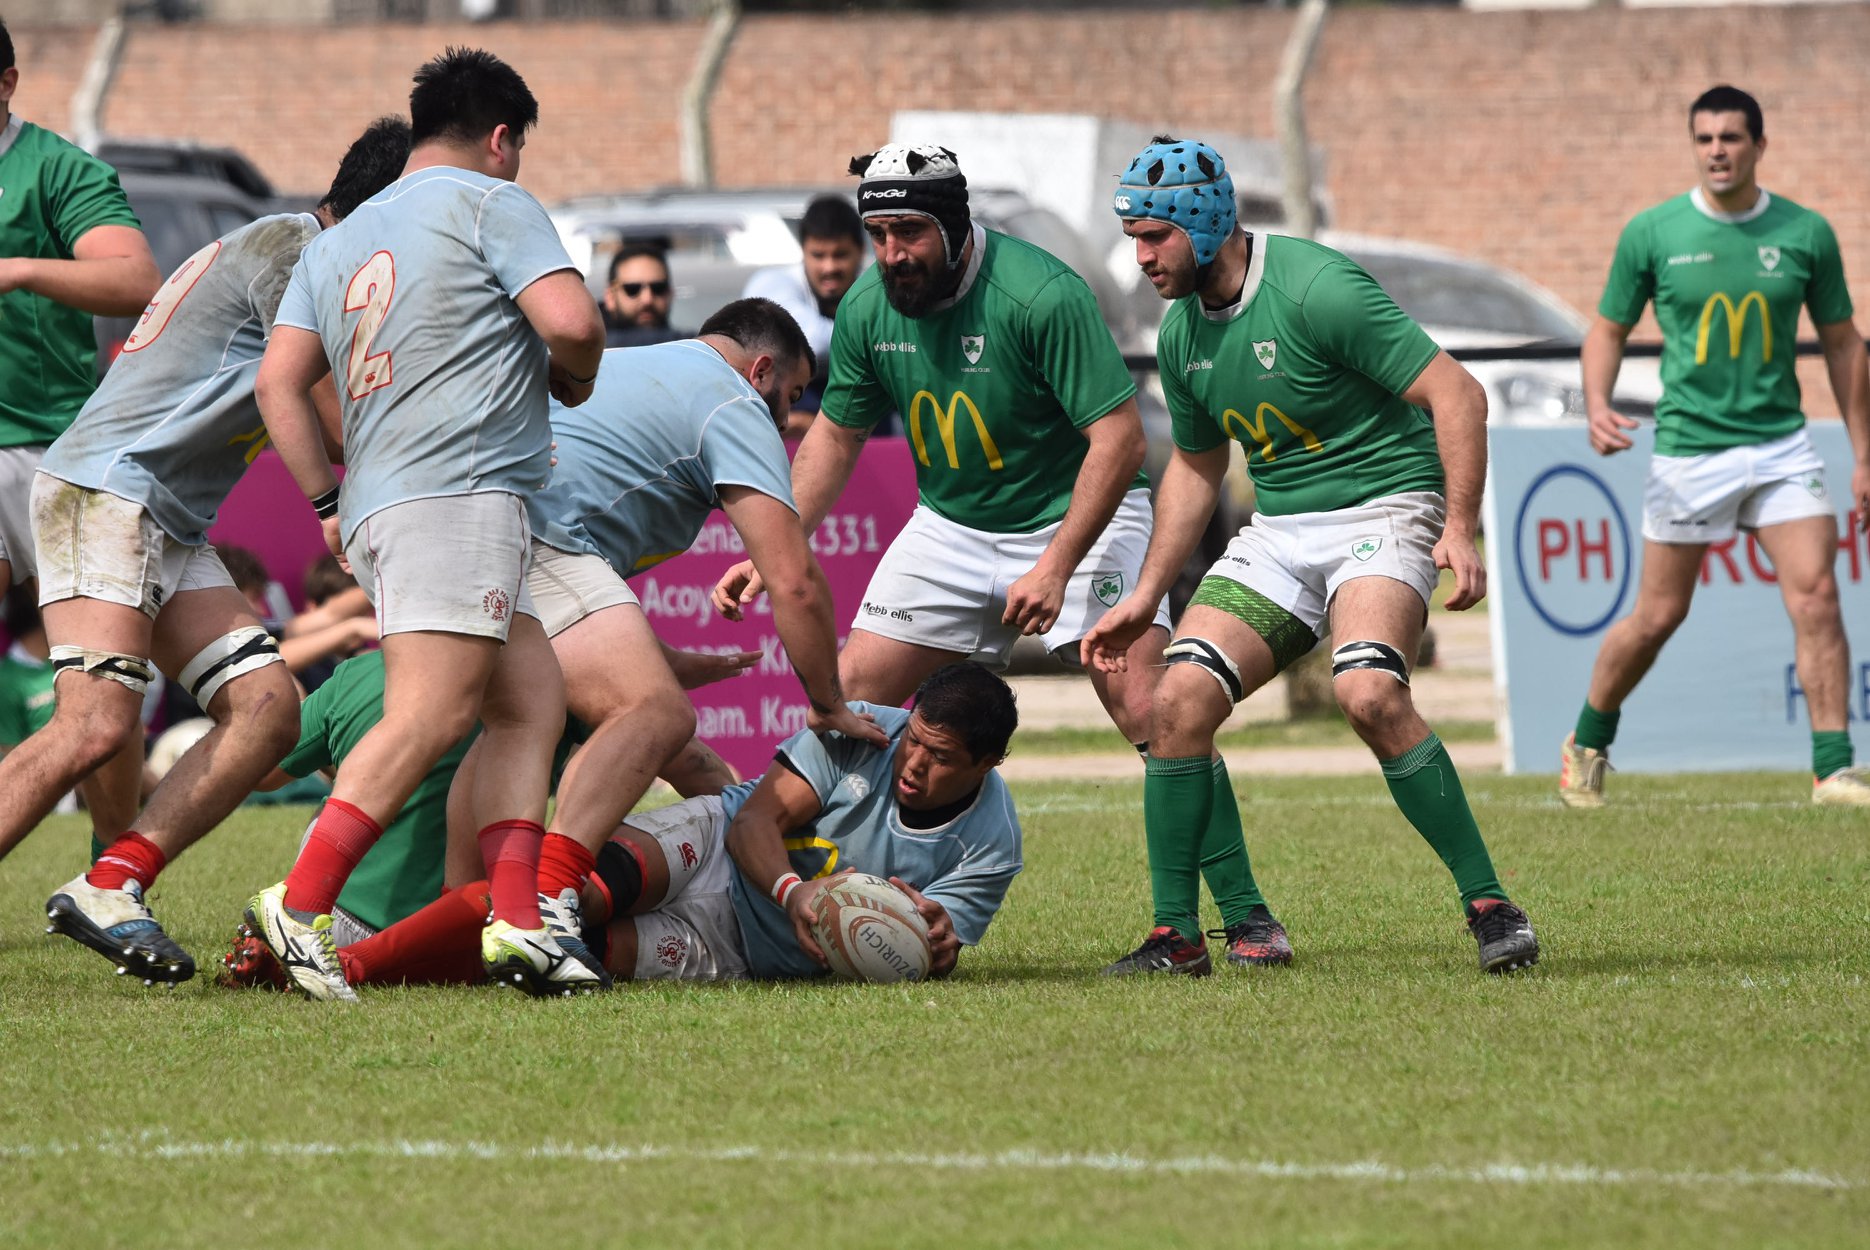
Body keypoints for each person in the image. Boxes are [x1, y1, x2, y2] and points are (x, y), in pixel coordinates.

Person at [1086, 137, 1540, 976]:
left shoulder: (1315, 287)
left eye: (1154, 236)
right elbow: (1197, 464)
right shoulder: (1182, 330)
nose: (1140, 256)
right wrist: (1146, 594)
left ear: (1205, 222)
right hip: (1284, 529)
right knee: (1174, 703)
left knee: (1368, 693)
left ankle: (1490, 905)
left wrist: (1459, 526)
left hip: (1386, 507)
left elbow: (1457, 393)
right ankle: (1181, 936)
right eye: (1134, 238)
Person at [2, 117, 411, 985]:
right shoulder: (302, 256)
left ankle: (112, 881)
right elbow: (334, 423)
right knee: (93, 724)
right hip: (108, 491)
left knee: (268, 706)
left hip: (155, 510)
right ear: (387, 210)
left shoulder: (290, 247)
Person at [248, 48, 606, 1002]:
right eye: (517, 149)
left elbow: (278, 384)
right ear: (501, 138)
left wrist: (325, 502)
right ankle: (300, 904)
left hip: (386, 502)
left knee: (530, 704)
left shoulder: (338, 239)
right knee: (433, 714)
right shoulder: (491, 202)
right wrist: (576, 374)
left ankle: (517, 921)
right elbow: (573, 325)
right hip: (459, 495)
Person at [713, 143, 1169, 757]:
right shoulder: (867, 306)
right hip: (951, 528)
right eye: (878, 234)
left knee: (1154, 714)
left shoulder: (1042, 294)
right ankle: (859, 829)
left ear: (954, 226)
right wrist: (776, 548)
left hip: (1078, 520)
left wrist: (1056, 566)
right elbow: (836, 436)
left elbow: (1121, 440)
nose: (892, 254)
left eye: (910, 231)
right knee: (845, 704)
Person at [504, 296, 886, 983]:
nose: (787, 417)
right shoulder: (731, 401)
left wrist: (670, 660)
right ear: (760, 369)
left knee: (520, 732)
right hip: (536, 540)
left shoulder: (641, 365)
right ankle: (543, 904)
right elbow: (794, 581)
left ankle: (480, 911)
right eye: (791, 394)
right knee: (656, 714)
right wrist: (828, 702)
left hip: (475, 528)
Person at [227, 664, 1022, 990]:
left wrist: (932, 948)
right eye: (916, 741)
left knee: (554, 958)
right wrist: (796, 894)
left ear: (988, 763)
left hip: (742, 950)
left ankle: (328, 966)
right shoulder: (869, 729)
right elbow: (753, 818)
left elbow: (935, 944)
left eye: (940, 758)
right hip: (717, 847)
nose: (913, 763)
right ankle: (342, 964)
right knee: (543, 910)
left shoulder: (991, 843)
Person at [1563, 85, 1870, 808]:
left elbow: (1843, 344)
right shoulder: (1653, 232)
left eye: (1731, 137)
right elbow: (1607, 330)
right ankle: (1586, 743)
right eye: (1704, 139)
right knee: (1658, 617)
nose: (1717, 151)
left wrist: (1864, 453)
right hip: (1690, 451)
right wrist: (1597, 406)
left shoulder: (1806, 233)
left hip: (1782, 448)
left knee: (1818, 595)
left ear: (1760, 146)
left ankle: (1833, 770)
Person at [0, 18, 163, 861]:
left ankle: (111, 857)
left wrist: (21, 269)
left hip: (58, 452)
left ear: (7, 85)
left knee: (103, 679)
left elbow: (137, 279)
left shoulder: (57, 169)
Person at [741, 195, 868, 436]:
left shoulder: (876, 287)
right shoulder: (771, 283)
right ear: (803, 251)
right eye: (818, 255)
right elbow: (814, 341)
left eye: (840, 255)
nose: (829, 267)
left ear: (861, 251)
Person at [601, 244, 684, 348]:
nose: (647, 299)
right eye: (632, 289)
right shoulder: (590, 352)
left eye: (658, 288)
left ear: (670, 293)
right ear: (610, 297)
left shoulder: (693, 348)